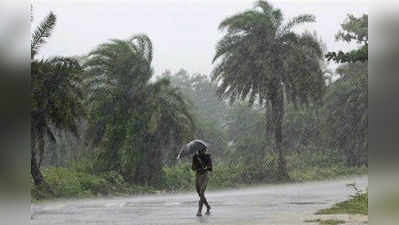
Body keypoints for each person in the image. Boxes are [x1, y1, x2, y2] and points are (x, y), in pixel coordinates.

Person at [192, 147, 212, 216]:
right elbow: (193, 168)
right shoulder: (195, 157)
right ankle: (208, 206)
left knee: (201, 192)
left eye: (204, 150)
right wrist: (196, 166)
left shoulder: (208, 157)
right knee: (200, 194)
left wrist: (205, 167)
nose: (203, 151)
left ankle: (199, 211)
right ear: (199, 150)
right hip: (198, 175)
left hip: (205, 176)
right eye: (201, 150)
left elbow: (210, 168)